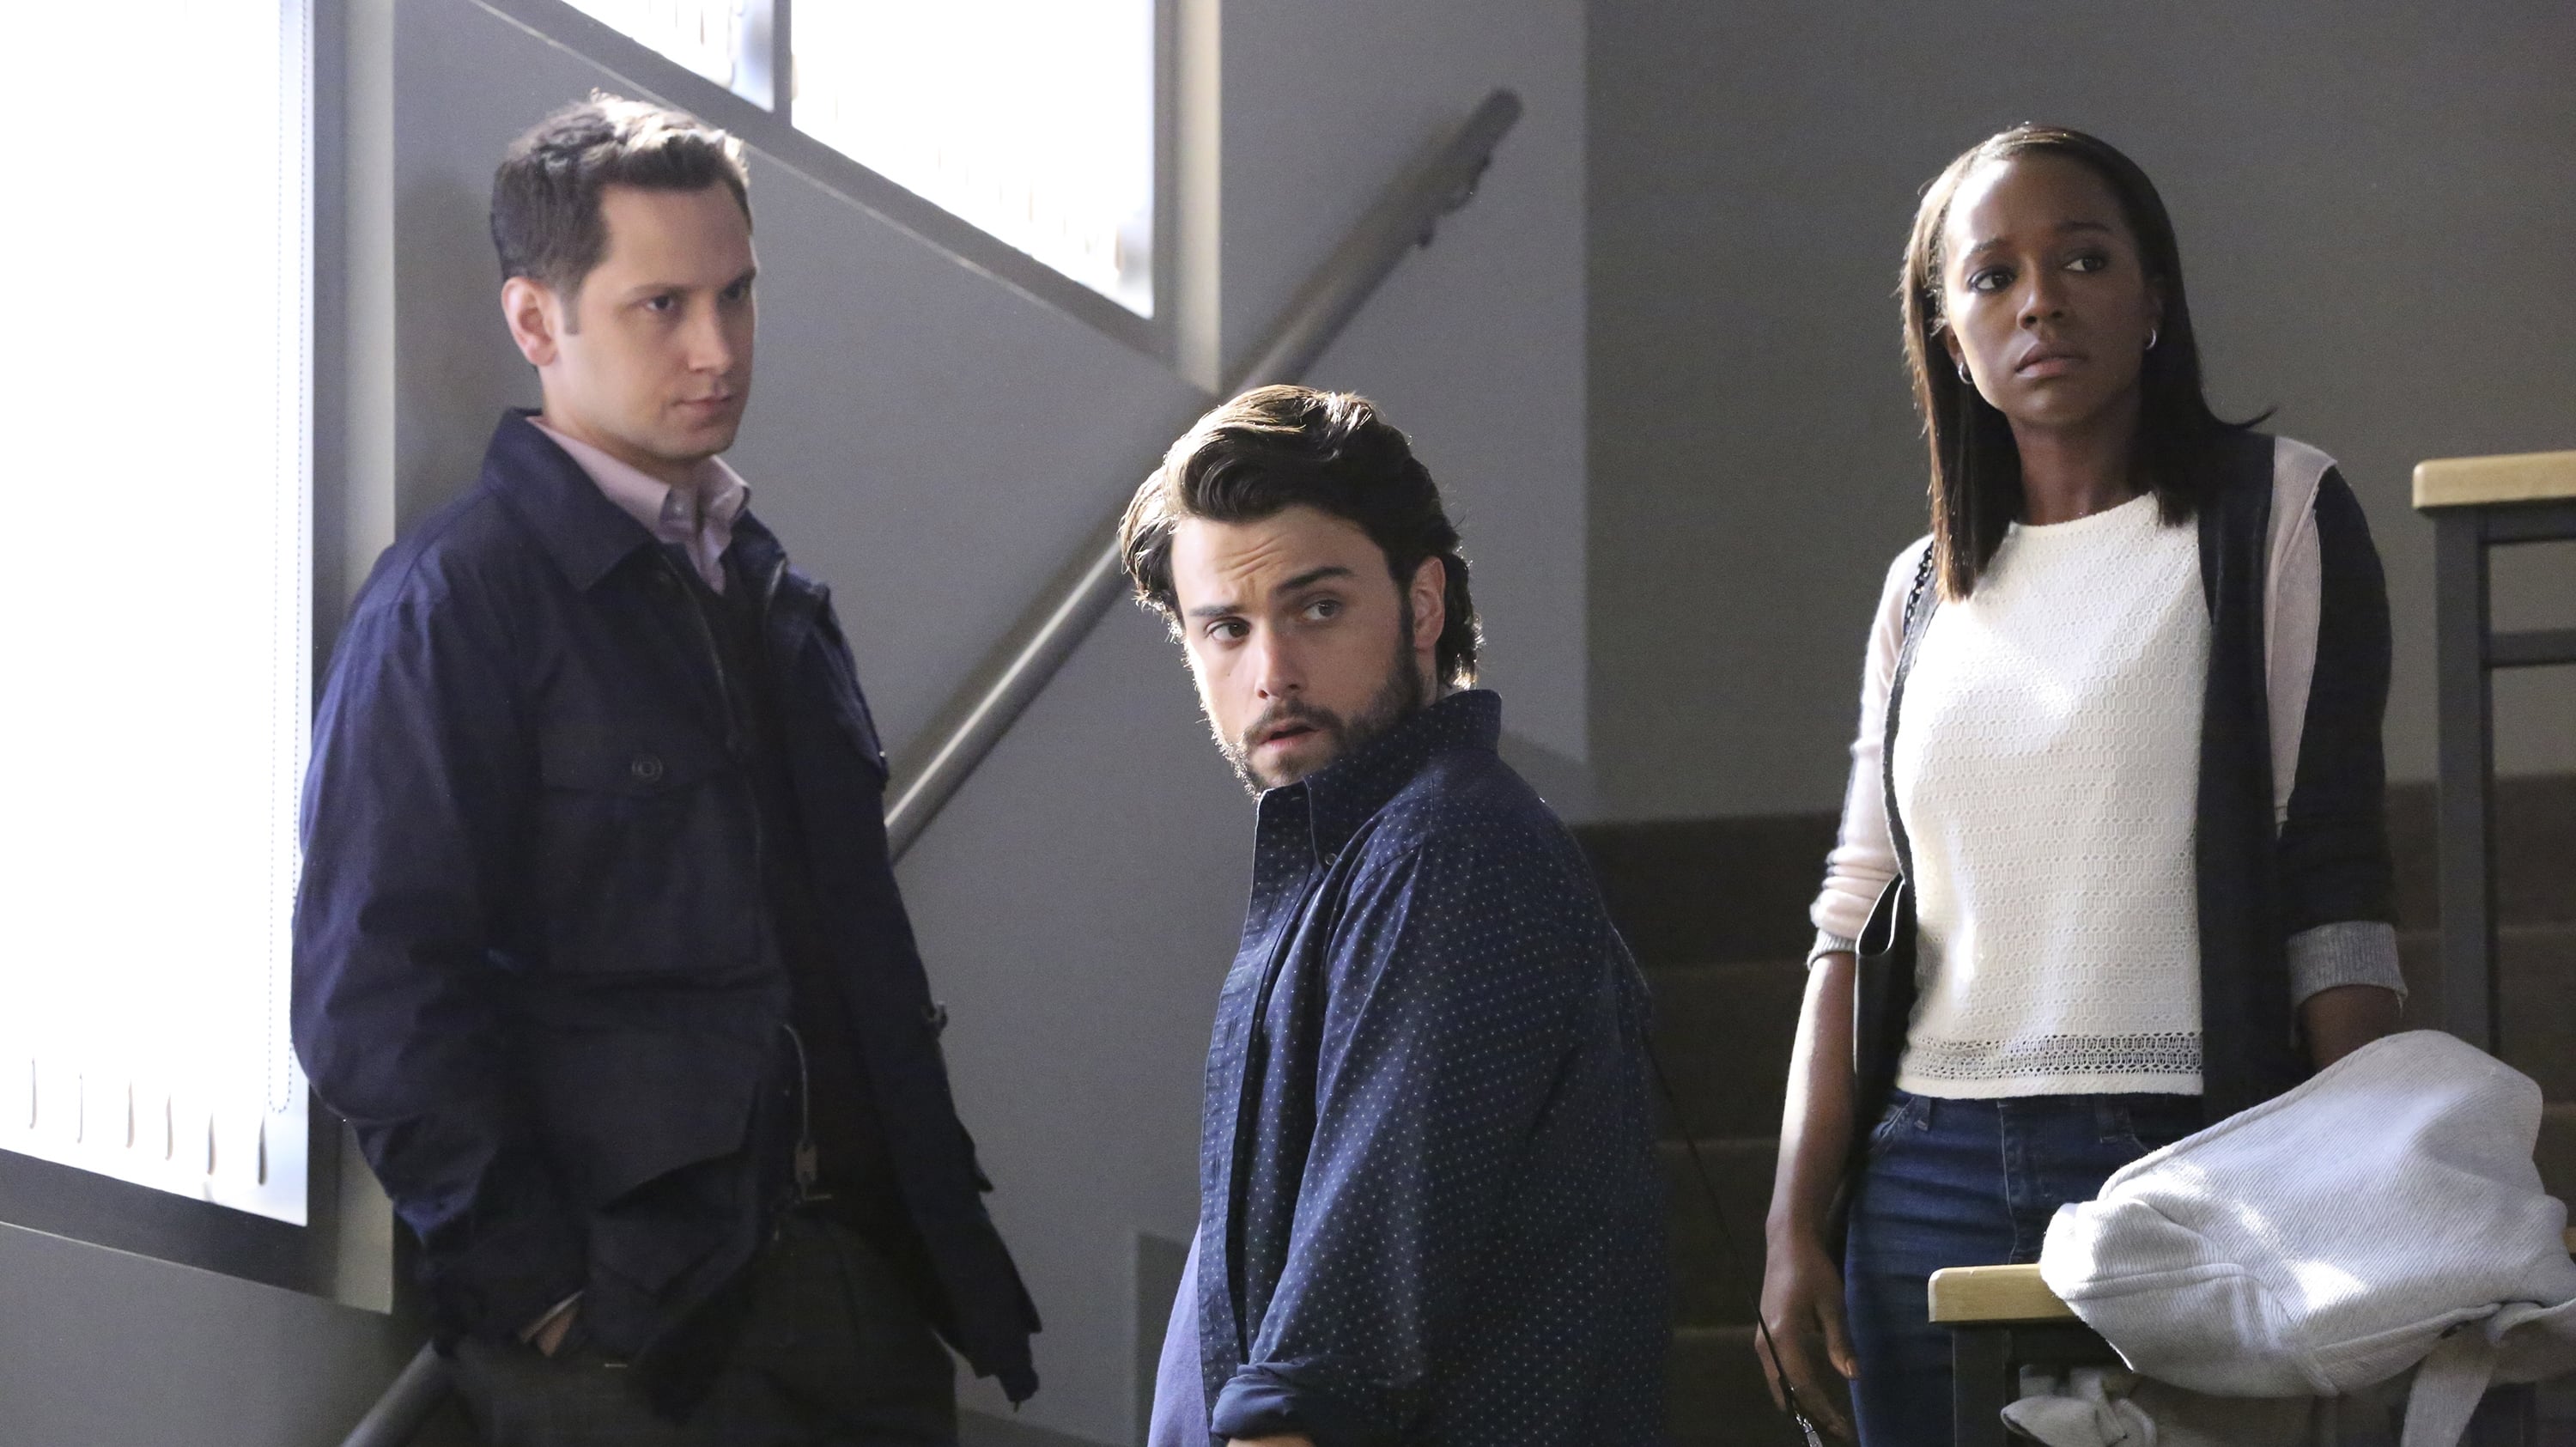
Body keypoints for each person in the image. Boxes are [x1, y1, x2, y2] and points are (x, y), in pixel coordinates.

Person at [291, 96, 1038, 1444]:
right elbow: (372, 985)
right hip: (637, 1331)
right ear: (536, 322)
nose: (719, 348)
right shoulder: (460, 599)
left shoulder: (776, 599)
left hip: (866, 1293)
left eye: (737, 295)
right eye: (662, 306)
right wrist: (545, 1293)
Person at [1753, 126, 2406, 1444]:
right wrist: (1791, 1220)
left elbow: (2332, 876)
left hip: (2185, 1156)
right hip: (1920, 1172)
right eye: (1992, 276)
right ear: (1949, 337)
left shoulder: (2276, 513)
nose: (2040, 300)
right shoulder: (1922, 589)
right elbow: (1856, 911)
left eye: (2085, 260)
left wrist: (2372, 1188)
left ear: (2154, 295)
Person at [1121, 386, 1667, 1446]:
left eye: (1318, 608)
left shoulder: (1449, 851)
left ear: (1422, 606)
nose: (1271, 673)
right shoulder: (1367, 858)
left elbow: (1334, 1356)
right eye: (1226, 628)